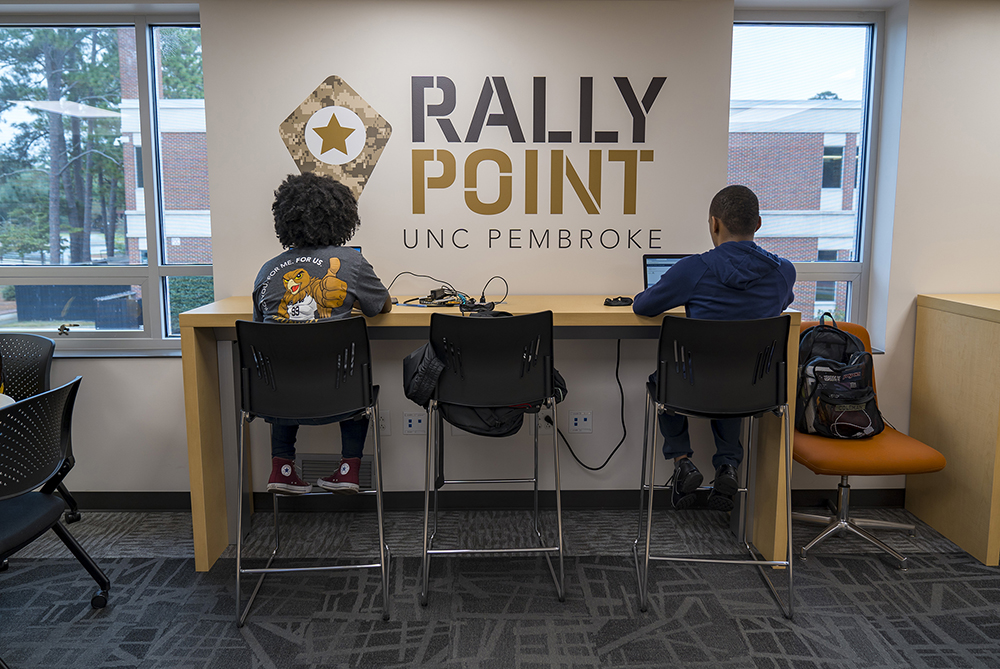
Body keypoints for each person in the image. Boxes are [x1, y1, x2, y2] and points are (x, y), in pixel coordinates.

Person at [632, 185, 795, 511]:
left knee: (663, 378)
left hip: (694, 386)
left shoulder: (695, 268)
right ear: (758, 224)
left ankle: (683, 462)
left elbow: (644, 306)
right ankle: (728, 465)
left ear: (714, 224)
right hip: (757, 388)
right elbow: (785, 304)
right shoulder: (783, 271)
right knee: (734, 377)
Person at [252, 172, 392, 495]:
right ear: (341, 218)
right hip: (342, 395)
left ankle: (282, 467)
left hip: (279, 396)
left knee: (284, 369)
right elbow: (381, 307)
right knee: (354, 374)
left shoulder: (265, 271)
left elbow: (261, 325)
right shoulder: (351, 262)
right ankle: (349, 468)